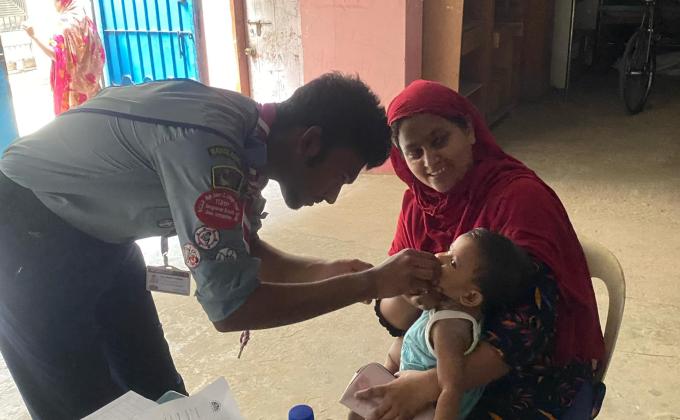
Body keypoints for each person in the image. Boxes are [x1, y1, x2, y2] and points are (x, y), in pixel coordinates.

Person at [0, 73, 440, 420]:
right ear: (309, 143)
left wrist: (329, 270)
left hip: (106, 236)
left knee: (158, 387)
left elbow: (243, 251)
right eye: (339, 178)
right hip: (27, 232)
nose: (331, 197)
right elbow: (232, 309)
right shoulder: (210, 149)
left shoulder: (250, 139)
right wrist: (369, 284)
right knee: (83, 405)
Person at [356, 80, 605, 419]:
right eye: (414, 152)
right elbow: (395, 318)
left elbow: (528, 327)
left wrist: (429, 386)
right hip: (450, 352)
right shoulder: (417, 206)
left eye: (439, 140)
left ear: (469, 131)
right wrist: (410, 293)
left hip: (533, 369)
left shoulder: (519, 198)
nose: (430, 160)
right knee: (368, 402)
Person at [351, 228, 536, 420]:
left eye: (453, 262)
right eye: (449, 250)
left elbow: (451, 388)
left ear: (470, 296)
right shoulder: (446, 305)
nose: (439, 256)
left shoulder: (448, 328)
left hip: (422, 410)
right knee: (358, 409)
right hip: (405, 385)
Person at [23, 0, 105, 115]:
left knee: (76, 121)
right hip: (91, 88)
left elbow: (56, 55)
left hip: (74, 92)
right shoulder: (86, 20)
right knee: (95, 117)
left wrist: (34, 37)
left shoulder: (63, 25)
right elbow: (98, 52)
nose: (54, 4)